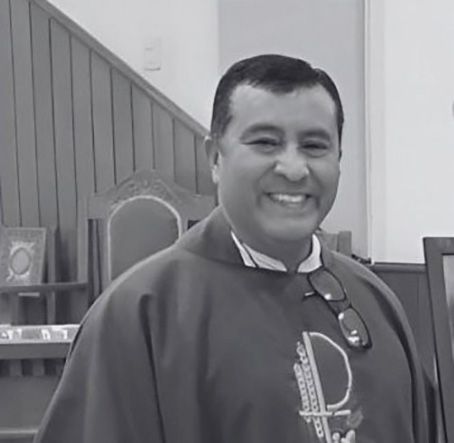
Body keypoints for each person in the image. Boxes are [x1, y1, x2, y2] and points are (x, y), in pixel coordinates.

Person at [35, 54, 429, 443]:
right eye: (266, 143)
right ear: (215, 158)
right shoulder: (141, 313)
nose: (294, 169)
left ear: (339, 159)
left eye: (314, 146)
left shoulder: (375, 302)